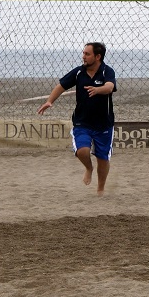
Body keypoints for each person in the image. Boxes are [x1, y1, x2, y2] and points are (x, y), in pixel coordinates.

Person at [38, 42, 116, 195]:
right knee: (82, 151)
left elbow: (110, 87)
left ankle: (100, 189)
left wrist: (97, 90)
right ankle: (88, 168)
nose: (83, 56)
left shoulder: (107, 71)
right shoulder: (79, 72)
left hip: (103, 124)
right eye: (83, 53)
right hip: (82, 122)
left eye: (87, 54)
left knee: (103, 158)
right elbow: (61, 85)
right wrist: (49, 101)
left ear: (98, 56)